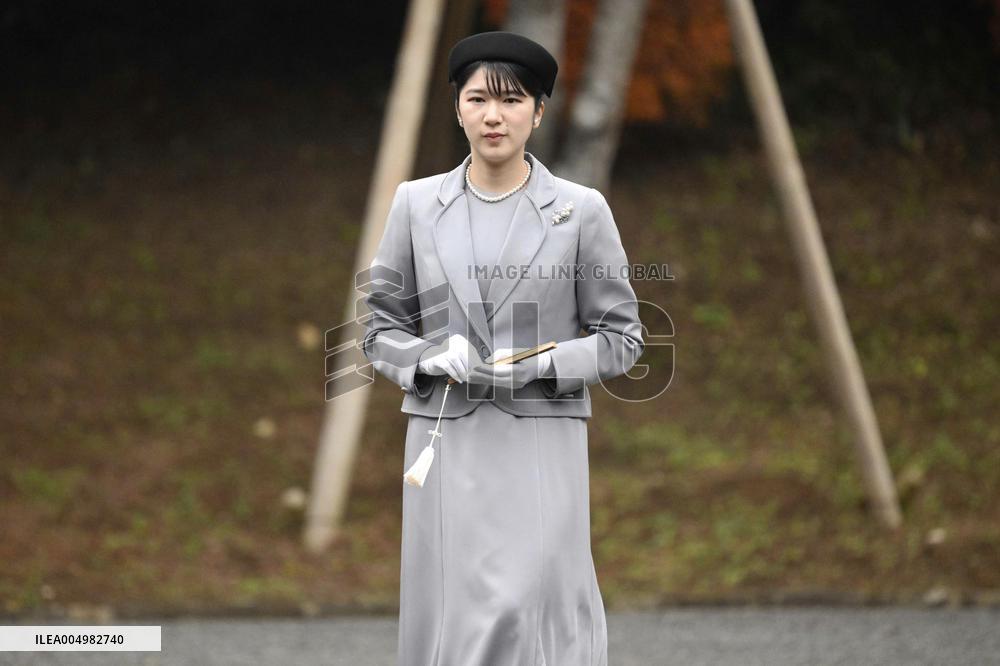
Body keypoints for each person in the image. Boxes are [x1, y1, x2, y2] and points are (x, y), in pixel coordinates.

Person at [362, 30, 644, 666]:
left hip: (540, 438)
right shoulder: (414, 205)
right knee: (455, 612)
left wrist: (545, 364)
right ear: (457, 107)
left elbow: (622, 339)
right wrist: (425, 358)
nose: (494, 115)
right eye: (478, 99)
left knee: (526, 607)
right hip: (445, 440)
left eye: (512, 100)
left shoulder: (580, 211)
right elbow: (379, 330)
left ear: (538, 112)